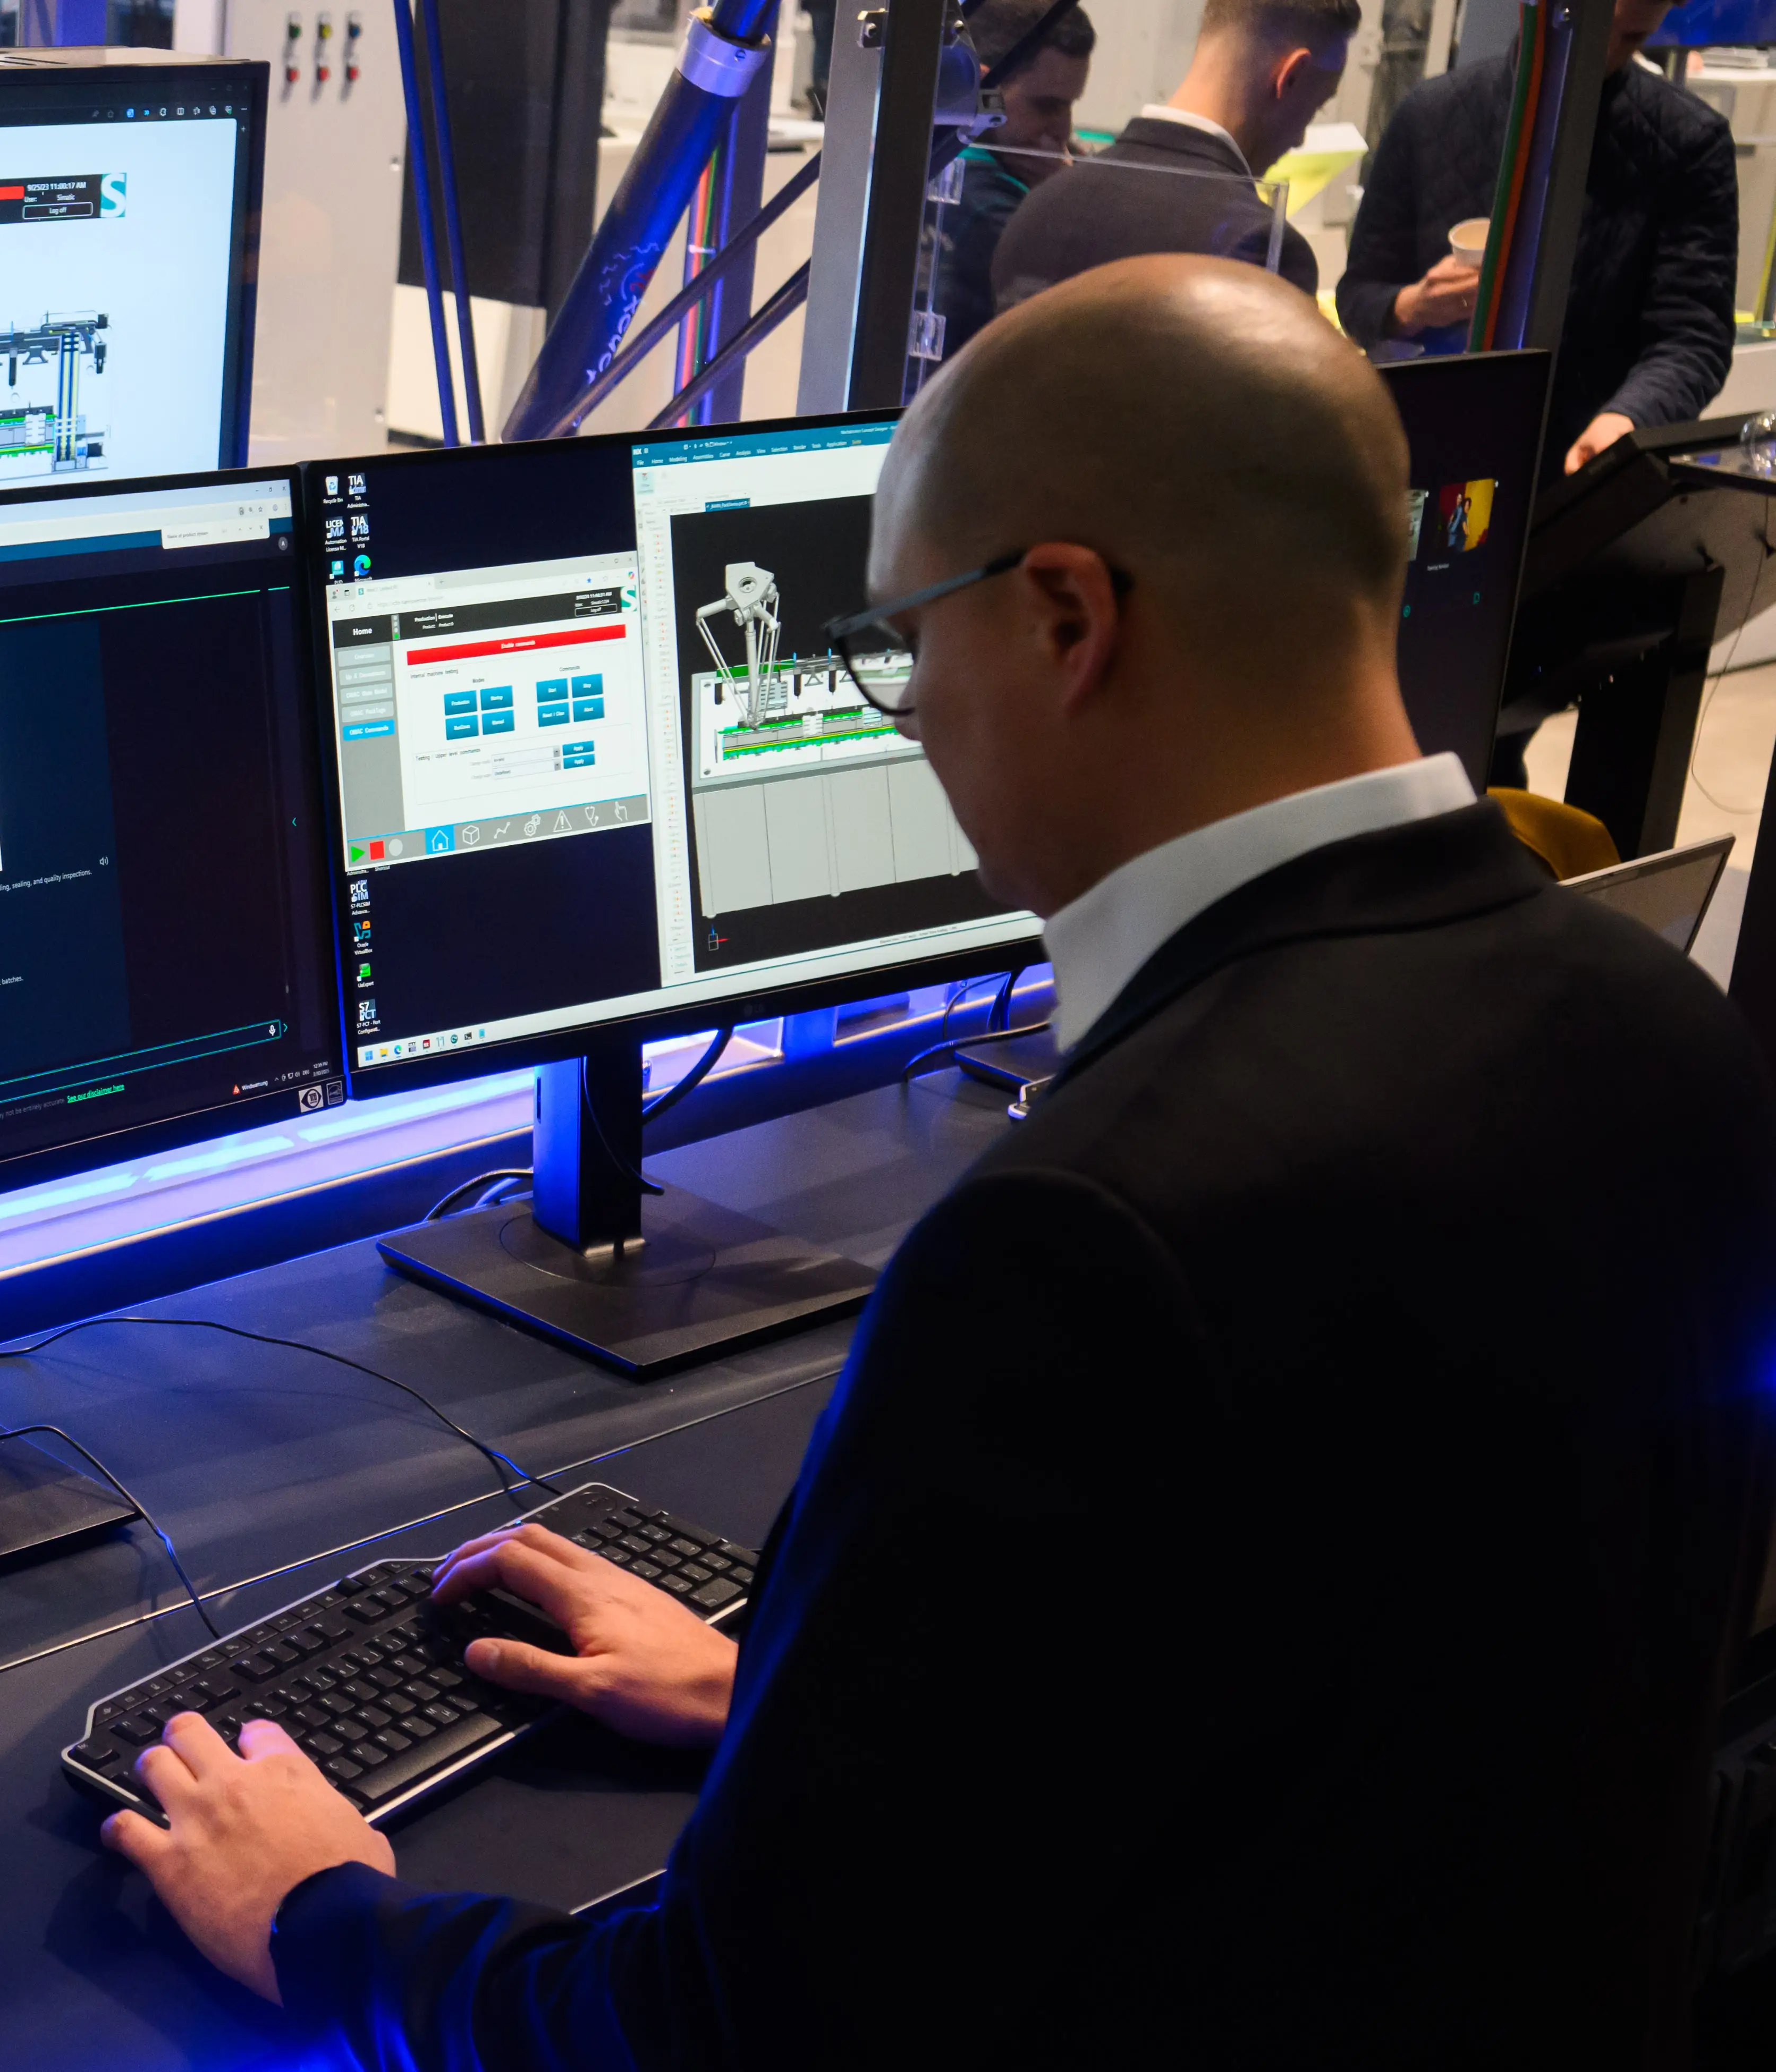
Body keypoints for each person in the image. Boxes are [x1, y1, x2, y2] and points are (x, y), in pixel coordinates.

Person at [100, 256, 1776, 2066]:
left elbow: (715, 2039)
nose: (902, 712)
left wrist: (322, 1925)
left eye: (902, 644)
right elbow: (1369, 1697)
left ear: (1064, 618)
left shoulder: (1090, 1238)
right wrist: (802, 1698)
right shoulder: (1666, 1035)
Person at [1337, 0, 1734, 476]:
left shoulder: (1688, 141)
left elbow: (1694, 337)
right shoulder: (1429, 114)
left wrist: (1629, 418)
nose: (1596, 53)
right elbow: (1358, 295)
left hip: (1584, 471)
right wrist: (1413, 306)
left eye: (1629, 38)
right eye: (1579, 27)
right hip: (1435, 450)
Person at [987, 0, 1353, 312]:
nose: (1300, 139)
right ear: (1290, 77)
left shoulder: (1037, 207)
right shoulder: (1265, 249)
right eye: (1316, 106)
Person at [933, 0, 1097, 359]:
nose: (1063, 129)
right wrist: (1062, 195)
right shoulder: (975, 193)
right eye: (1046, 106)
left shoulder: (978, 157)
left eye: (1070, 105)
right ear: (983, 88)